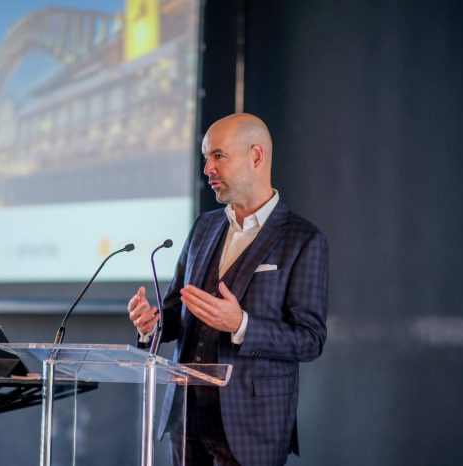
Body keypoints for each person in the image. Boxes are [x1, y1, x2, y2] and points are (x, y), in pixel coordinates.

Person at [127, 113, 329, 466]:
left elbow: (310, 340)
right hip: (186, 418)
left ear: (256, 156)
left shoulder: (303, 239)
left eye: (218, 156)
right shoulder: (204, 227)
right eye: (206, 157)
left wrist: (241, 325)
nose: (207, 168)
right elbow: (175, 315)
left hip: (251, 425)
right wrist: (153, 323)